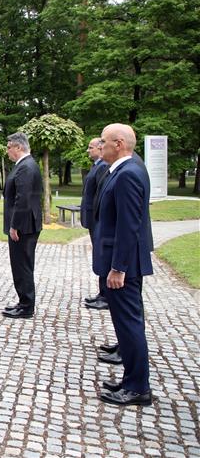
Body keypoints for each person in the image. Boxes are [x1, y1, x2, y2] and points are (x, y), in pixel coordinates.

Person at [94, 123, 153, 406]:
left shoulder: (128, 174)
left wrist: (119, 268)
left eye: (104, 142)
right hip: (123, 262)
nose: (100, 146)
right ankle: (131, 380)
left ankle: (138, 387)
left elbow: (129, 227)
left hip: (123, 266)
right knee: (127, 323)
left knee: (129, 324)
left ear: (118, 144)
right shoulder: (126, 170)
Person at [1, 132, 43, 319]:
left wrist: (14, 225)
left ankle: (26, 306)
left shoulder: (26, 167)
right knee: (20, 264)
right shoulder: (24, 165)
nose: (7, 151)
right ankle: (23, 301)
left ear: (19, 147)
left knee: (22, 265)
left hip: (24, 226)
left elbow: (23, 199)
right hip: (25, 224)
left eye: (9, 147)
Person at [81, 138, 110, 310]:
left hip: (97, 219)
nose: (88, 150)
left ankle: (106, 295)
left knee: (102, 255)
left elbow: (100, 194)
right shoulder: (97, 165)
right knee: (99, 255)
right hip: (93, 219)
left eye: (91, 147)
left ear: (100, 149)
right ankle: (102, 293)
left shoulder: (103, 167)